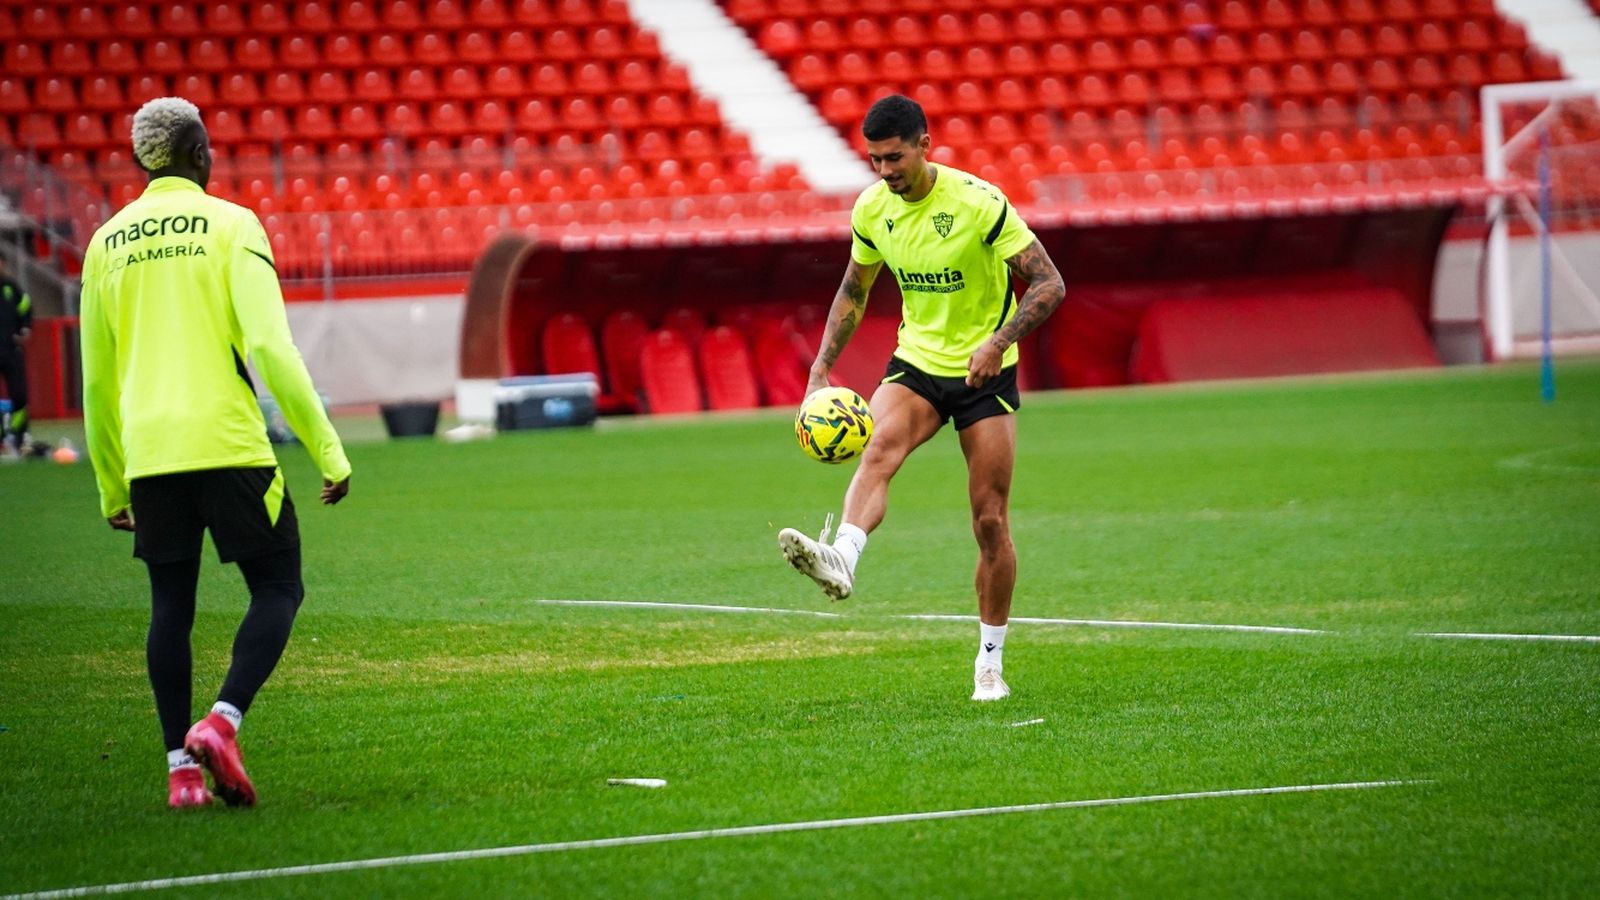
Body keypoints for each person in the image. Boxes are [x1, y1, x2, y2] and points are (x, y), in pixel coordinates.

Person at [80, 98, 352, 808]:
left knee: (170, 605)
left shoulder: (105, 244)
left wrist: (111, 483)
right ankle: (222, 722)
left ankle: (181, 774)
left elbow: (97, 381)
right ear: (200, 154)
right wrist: (327, 450)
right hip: (227, 443)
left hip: (150, 455)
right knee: (278, 587)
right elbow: (270, 348)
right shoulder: (233, 225)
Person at [778, 95, 1065, 702]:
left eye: (895, 157)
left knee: (990, 521)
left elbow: (1049, 282)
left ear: (924, 145)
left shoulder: (979, 203)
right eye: (875, 160)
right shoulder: (872, 210)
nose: (885, 171)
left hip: (986, 374)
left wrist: (998, 342)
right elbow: (853, 290)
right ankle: (843, 557)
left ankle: (990, 663)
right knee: (877, 446)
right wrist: (820, 369)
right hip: (918, 364)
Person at [0, 256, 31, 458]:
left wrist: (25, 329)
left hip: (11, 351)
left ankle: (19, 438)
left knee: (19, 395)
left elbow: (25, 308)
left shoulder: (11, 288)